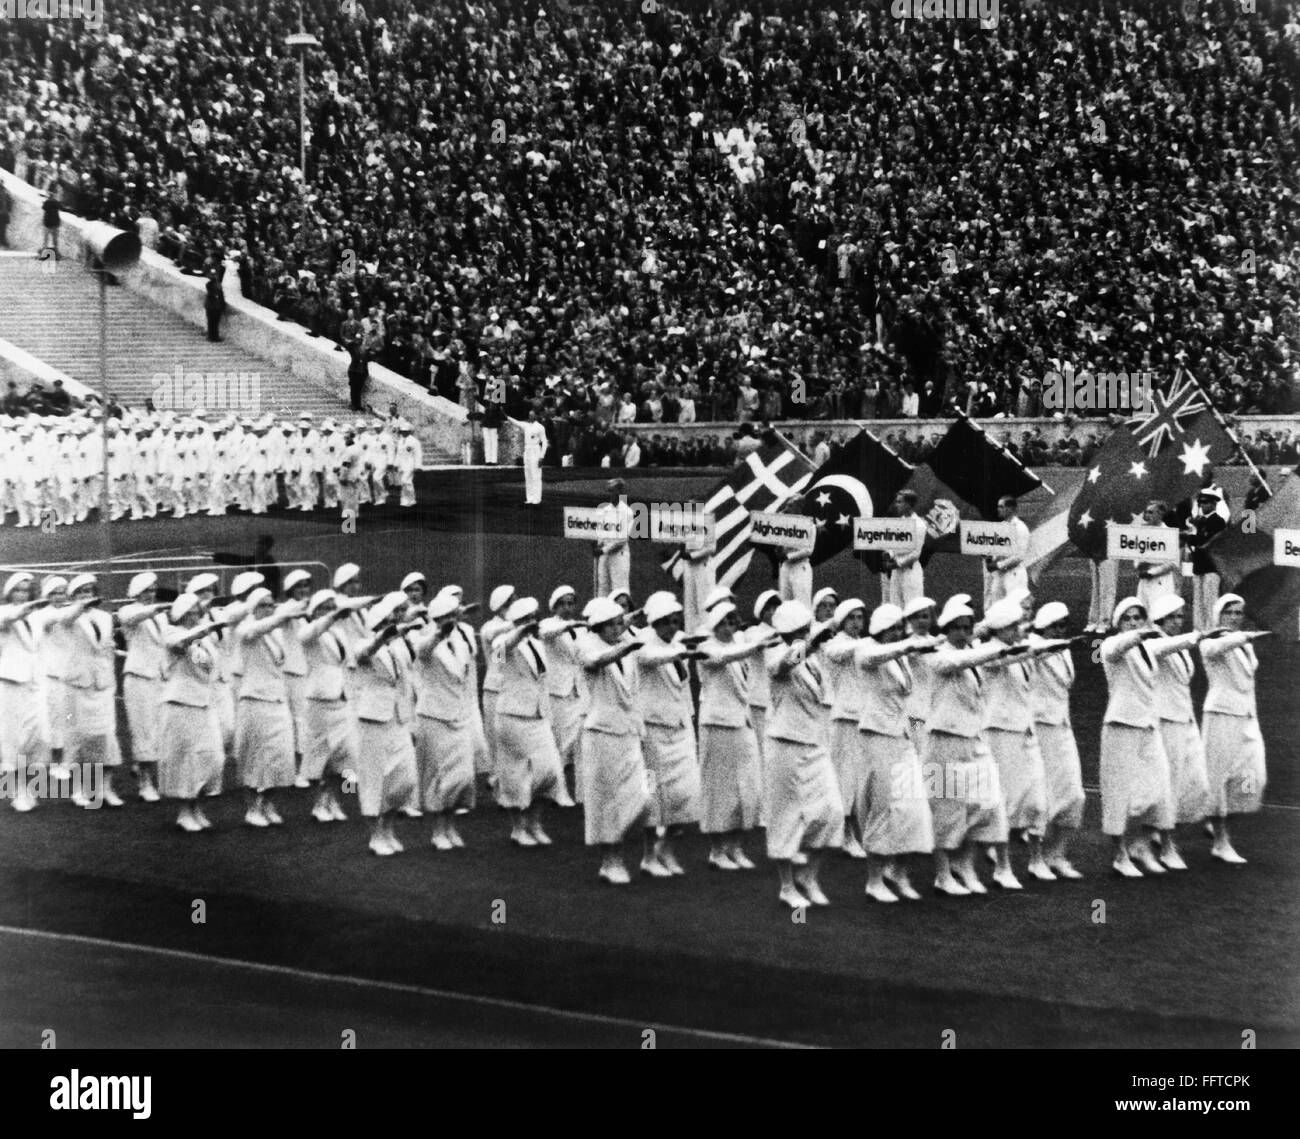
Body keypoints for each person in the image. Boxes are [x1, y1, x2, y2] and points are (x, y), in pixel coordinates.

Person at [926, 596, 1024, 896]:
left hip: (974, 739)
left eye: (967, 626)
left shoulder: (974, 651)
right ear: (946, 628)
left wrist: (1034, 646)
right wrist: (995, 645)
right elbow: (958, 662)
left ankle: (966, 866)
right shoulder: (936, 654)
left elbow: (1003, 657)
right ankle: (943, 875)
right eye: (957, 627)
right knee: (946, 810)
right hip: (943, 739)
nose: (963, 632)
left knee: (987, 803)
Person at [1099, 597, 1197, 877]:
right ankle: (1120, 855)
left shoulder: (1150, 647)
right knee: (1118, 792)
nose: (1133, 622)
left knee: (1160, 789)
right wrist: (1138, 633)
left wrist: (1200, 635)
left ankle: (1146, 846)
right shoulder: (1110, 646)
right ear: (1118, 623)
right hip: (1120, 725)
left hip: (1149, 727)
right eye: (1127, 619)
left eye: (1138, 618)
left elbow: (1173, 643)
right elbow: (1119, 646)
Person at [764, 601, 845, 909]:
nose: (805, 634)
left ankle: (809, 875)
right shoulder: (775, 656)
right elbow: (783, 664)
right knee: (786, 816)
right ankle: (787, 886)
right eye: (799, 631)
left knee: (831, 811)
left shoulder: (814, 662)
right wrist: (809, 645)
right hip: (785, 744)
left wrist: (820, 639)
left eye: (806, 630)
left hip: (815, 744)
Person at [577, 597, 650, 884]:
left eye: (622, 622)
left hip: (629, 732)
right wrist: (624, 648)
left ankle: (619, 851)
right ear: (601, 626)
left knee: (643, 798)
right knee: (608, 799)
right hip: (602, 733)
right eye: (616, 623)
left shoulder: (627, 649)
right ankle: (611, 861)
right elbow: (595, 661)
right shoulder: (587, 645)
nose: (622, 627)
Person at [696, 602, 773, 871]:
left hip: (742, 724)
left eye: (733, 621)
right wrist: (754, 647)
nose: (730, 626)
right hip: (716, 725)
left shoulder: (739, 647)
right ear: (715, 625)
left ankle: (736, 846)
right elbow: (720, 658)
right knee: (719, 789)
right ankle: (717, 850)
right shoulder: (706, 646)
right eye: (725, 622)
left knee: (747, 787)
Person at [634, 592, 702, 876]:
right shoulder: (643, 645)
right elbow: (651, 657)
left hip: (681, 729)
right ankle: (649, 856)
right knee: (652, 797)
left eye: (676, 621)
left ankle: (667, 850)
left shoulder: (678, 641)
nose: (673, 627)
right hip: (653, 731)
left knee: (686, 794)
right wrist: (682, 650)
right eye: (667, 622)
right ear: (655, 622)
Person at [1199, 593, 1271, 864]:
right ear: (1219, 615)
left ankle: (1213, 817)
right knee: (1217, 777)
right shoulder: (1212, 640)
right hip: (1221, 715)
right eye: (1229, 612)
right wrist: (1246, 636)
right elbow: (1211, 650)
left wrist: (1246, 638)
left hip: (1248, 718)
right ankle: (1220, 840)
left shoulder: (1244, 643)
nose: (1234, 617)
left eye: (1239, 613)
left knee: (1254, 779)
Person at [351, 592, 421, 856]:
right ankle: (376, 835)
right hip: (374, 719)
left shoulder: (400, 648)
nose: (396, 620)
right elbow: (365, 654)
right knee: (373, 778)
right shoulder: (363, 644)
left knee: (405, 777)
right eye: (390, 618)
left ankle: (389, 827)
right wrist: (382, 638)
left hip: (399, 718)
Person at [493, 596, 565, 845]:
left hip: (538, 716)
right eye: (526, 619)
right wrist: (520, 631)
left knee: (550, 772)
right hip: (513, 716)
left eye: (533, 618)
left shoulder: (539, 642)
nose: (532, 622)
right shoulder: (502, 641)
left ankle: (535, 823)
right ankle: (518, 827)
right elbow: (499, 658)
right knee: (516, 773)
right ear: (517, 622)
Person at [1147, 595, 1212, 870]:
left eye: (1180, 616)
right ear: (1161, 620)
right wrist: (1198, 636)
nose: (1178, 621)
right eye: (1173, 617)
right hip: (1166, 721)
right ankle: (1166, 844)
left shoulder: (1179, 644)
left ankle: (1156, 827)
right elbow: (1165, 648)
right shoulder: (1153, 641)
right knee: (1169, 784)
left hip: (1185, 720)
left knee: (1195, 782)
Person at [411, 592, 477, 850]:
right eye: (445, 618)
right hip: (434, 715)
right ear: (435, 619)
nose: (451, 621)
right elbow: (422, 651)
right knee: (440, 776)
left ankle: (451, 824)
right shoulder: (423, 637)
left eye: (453, 616)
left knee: (463, 776)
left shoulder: (461, 639)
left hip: (459, 714)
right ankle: (439, 829)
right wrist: (439, 634)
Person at [158, 593, 226, 832]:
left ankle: (197, 806)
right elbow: (180, 643)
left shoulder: (205, 639)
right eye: (193, 612)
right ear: (183, 614)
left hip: (204, 703)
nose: (197, 616)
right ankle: (185, 811)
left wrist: (205, 631)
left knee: (212, 757)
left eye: (198, 612)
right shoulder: (170, 631)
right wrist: (203, 630)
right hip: (181, 702)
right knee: (187, 758)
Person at [1027, 602, 1086, 878]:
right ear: (1042, 627)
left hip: (1062, 727)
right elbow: (1025, 649)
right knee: (1041, 798)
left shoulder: (1063, 649)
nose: (1061, 630)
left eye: (1064, 625)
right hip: (1039, 729)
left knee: (1074, 794)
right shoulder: (1032, 645)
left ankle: (1057, 854)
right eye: (1055, 626)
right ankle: (1035, 858)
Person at [233, 588, 300, 827]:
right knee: (254, 757)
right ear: (253, 608)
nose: (269, 609)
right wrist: (280, 617)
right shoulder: (245, 628)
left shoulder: (278, 634)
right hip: (254, 699)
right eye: (264, 605)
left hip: (277, 699)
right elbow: (255, 630)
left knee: (281, 755)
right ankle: (252, 807)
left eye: (272, 605)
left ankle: (268, 803)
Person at [60, 575, 125, 808]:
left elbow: (106, 648)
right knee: (80, 737)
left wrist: (109, 674)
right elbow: (67, 617)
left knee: (106, 736)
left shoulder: (105, 617)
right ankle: (80, 788)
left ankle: (105, 788)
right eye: (81, 591)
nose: (86, 594)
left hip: (103, 684)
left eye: (90, 590)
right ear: (73, 596)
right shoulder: (68, 615)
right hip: (78, 684)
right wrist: (80, 606)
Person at [297, 589, 357, 824]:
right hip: (319, 700)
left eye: (332, 607)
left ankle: (336, 798)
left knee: (345, 754)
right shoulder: (308, 632)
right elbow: (311, 632)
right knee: (322, 753)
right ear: (315, 611)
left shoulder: (340, 633)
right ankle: (319, 803)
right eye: (325, 607)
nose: (330, 612)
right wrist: (331, 616)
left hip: (342, 697)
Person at [820, 599, 870, 860]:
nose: (856, 622)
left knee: (860, 780)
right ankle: (846, 835)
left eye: (860, 617)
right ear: (841, 621)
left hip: (863, 720)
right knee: (845, 779)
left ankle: (853, 832)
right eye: (851, 618)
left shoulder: (863, 645)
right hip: (843, 719)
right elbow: (839, 653)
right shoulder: (834, 644)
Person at [118, 572, 172, 803]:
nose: (151, 594)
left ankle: (144, 769)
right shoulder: (128, 611)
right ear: (136, 594)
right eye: (146, 591)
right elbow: (135, 617)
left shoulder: (160, 618)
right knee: (143, 730)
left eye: (153, 590)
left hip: (159, 678)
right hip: (138, 677)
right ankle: (145, 783)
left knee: (160, 729)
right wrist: (157, 608)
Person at [0, 573, 51, 813]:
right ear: (10, 593)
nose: (23, 594)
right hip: (11, 681)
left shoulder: (39, 616)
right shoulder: (3, 612)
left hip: (35, 682)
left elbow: (61, 614)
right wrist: (28, 607)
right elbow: (11, 616)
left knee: (40, 735)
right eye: (18, 590)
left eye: (27, 590)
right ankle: (17, 790)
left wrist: (80, 606)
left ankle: (30, 786)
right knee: (13, 738)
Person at [538, 586, 585, 803]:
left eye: (570, 603)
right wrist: (568, 625)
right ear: (555, 606)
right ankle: (555, 789)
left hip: (577, 692)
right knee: (558, 743)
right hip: (556, 692)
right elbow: (544, 633)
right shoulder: (549, 624)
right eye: (562, 603)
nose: (567, 608)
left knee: (576, 742)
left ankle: (577, 792)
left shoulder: (582, 629)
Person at [478, 584, 517, 788]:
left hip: (511, 689)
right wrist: (515, 624)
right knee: (493, 737)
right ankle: (495, 777)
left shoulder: (516, 628)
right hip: (494, 689)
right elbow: (494, 645)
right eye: (512, 601)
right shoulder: (490, 627)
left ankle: (509, 778)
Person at [1187, 487, 1230, 630]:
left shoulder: (1217, 521)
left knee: (1210, 600)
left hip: (1211, 567)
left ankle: (1211, 628)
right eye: (1200, 503)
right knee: (1198, 600)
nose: (1202, 506)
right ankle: (1198, 629)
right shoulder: (1202, 522)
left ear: (1213, 504)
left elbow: (1205, 540)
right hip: (1200, 565)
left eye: (1205, 502)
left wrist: (1188, 536)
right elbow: (1198, 540)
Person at [983, 496, 1030, 611]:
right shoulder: (1001, 528)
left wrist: (998, 565)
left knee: (1016, 609)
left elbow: (1019, 556)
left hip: (1014, 575)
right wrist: (989, 557)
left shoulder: (1020, 528)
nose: (998, 509)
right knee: (996, 608)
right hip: (999, 575)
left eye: (1001, 507)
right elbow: (998, 551)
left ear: (1010, 509)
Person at [882, 491, 925, 609]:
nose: (897, 505)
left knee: (912, 608)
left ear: (909, 504)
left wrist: (897, 563)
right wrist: (888, 555)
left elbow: (916, 553)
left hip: (910, 572)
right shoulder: (898, 523)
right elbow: (893, 546)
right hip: (896, 574)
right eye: (896, 502)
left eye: (900, 502)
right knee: (895, 607)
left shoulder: (919, 525)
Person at [1135, 500, 1179, 614]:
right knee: (1142, 614)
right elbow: (1136, 555)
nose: (1147, 515)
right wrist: (1139, 567)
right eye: (1146, 512)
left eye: (1151, 512)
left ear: (1160, 514)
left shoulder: (1169, 533)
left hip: (1161, 583)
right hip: (1144, 582)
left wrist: (1153, 572)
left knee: (1159, 615)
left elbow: (1173, 563)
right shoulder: (1142, 532)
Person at [595, 481, 632, 596]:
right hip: (603, 555)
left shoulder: (627, 512)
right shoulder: (604, 510)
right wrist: (598, 546)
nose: (610, 494)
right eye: (609, 491)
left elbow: (622, 539)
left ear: (620, 492)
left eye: (613, 491)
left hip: (619, 555)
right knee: (602, 587)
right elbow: (600, 532)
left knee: (619, 590)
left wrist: (603, 550)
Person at [519, 410, 549, 505]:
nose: (530, 416)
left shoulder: (540, 427)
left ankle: (537, 498)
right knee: (528, 475)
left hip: (535, 450)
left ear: (536, 416)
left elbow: (544, 442)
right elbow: (516, 422)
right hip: (527, 450)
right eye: (529, 415)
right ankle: (530, 497)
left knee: (535, 474)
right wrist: (507, 417)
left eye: (532, 415)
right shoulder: (526, 425)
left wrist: (541, 456)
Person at [205, 270, 226, 342]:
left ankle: (212, 336)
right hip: (214, 306)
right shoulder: (212, 285)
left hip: (213, 306)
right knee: (213, 322)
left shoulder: (214, 284)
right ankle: (213, 336)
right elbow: (219, 296)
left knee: (213, 322)